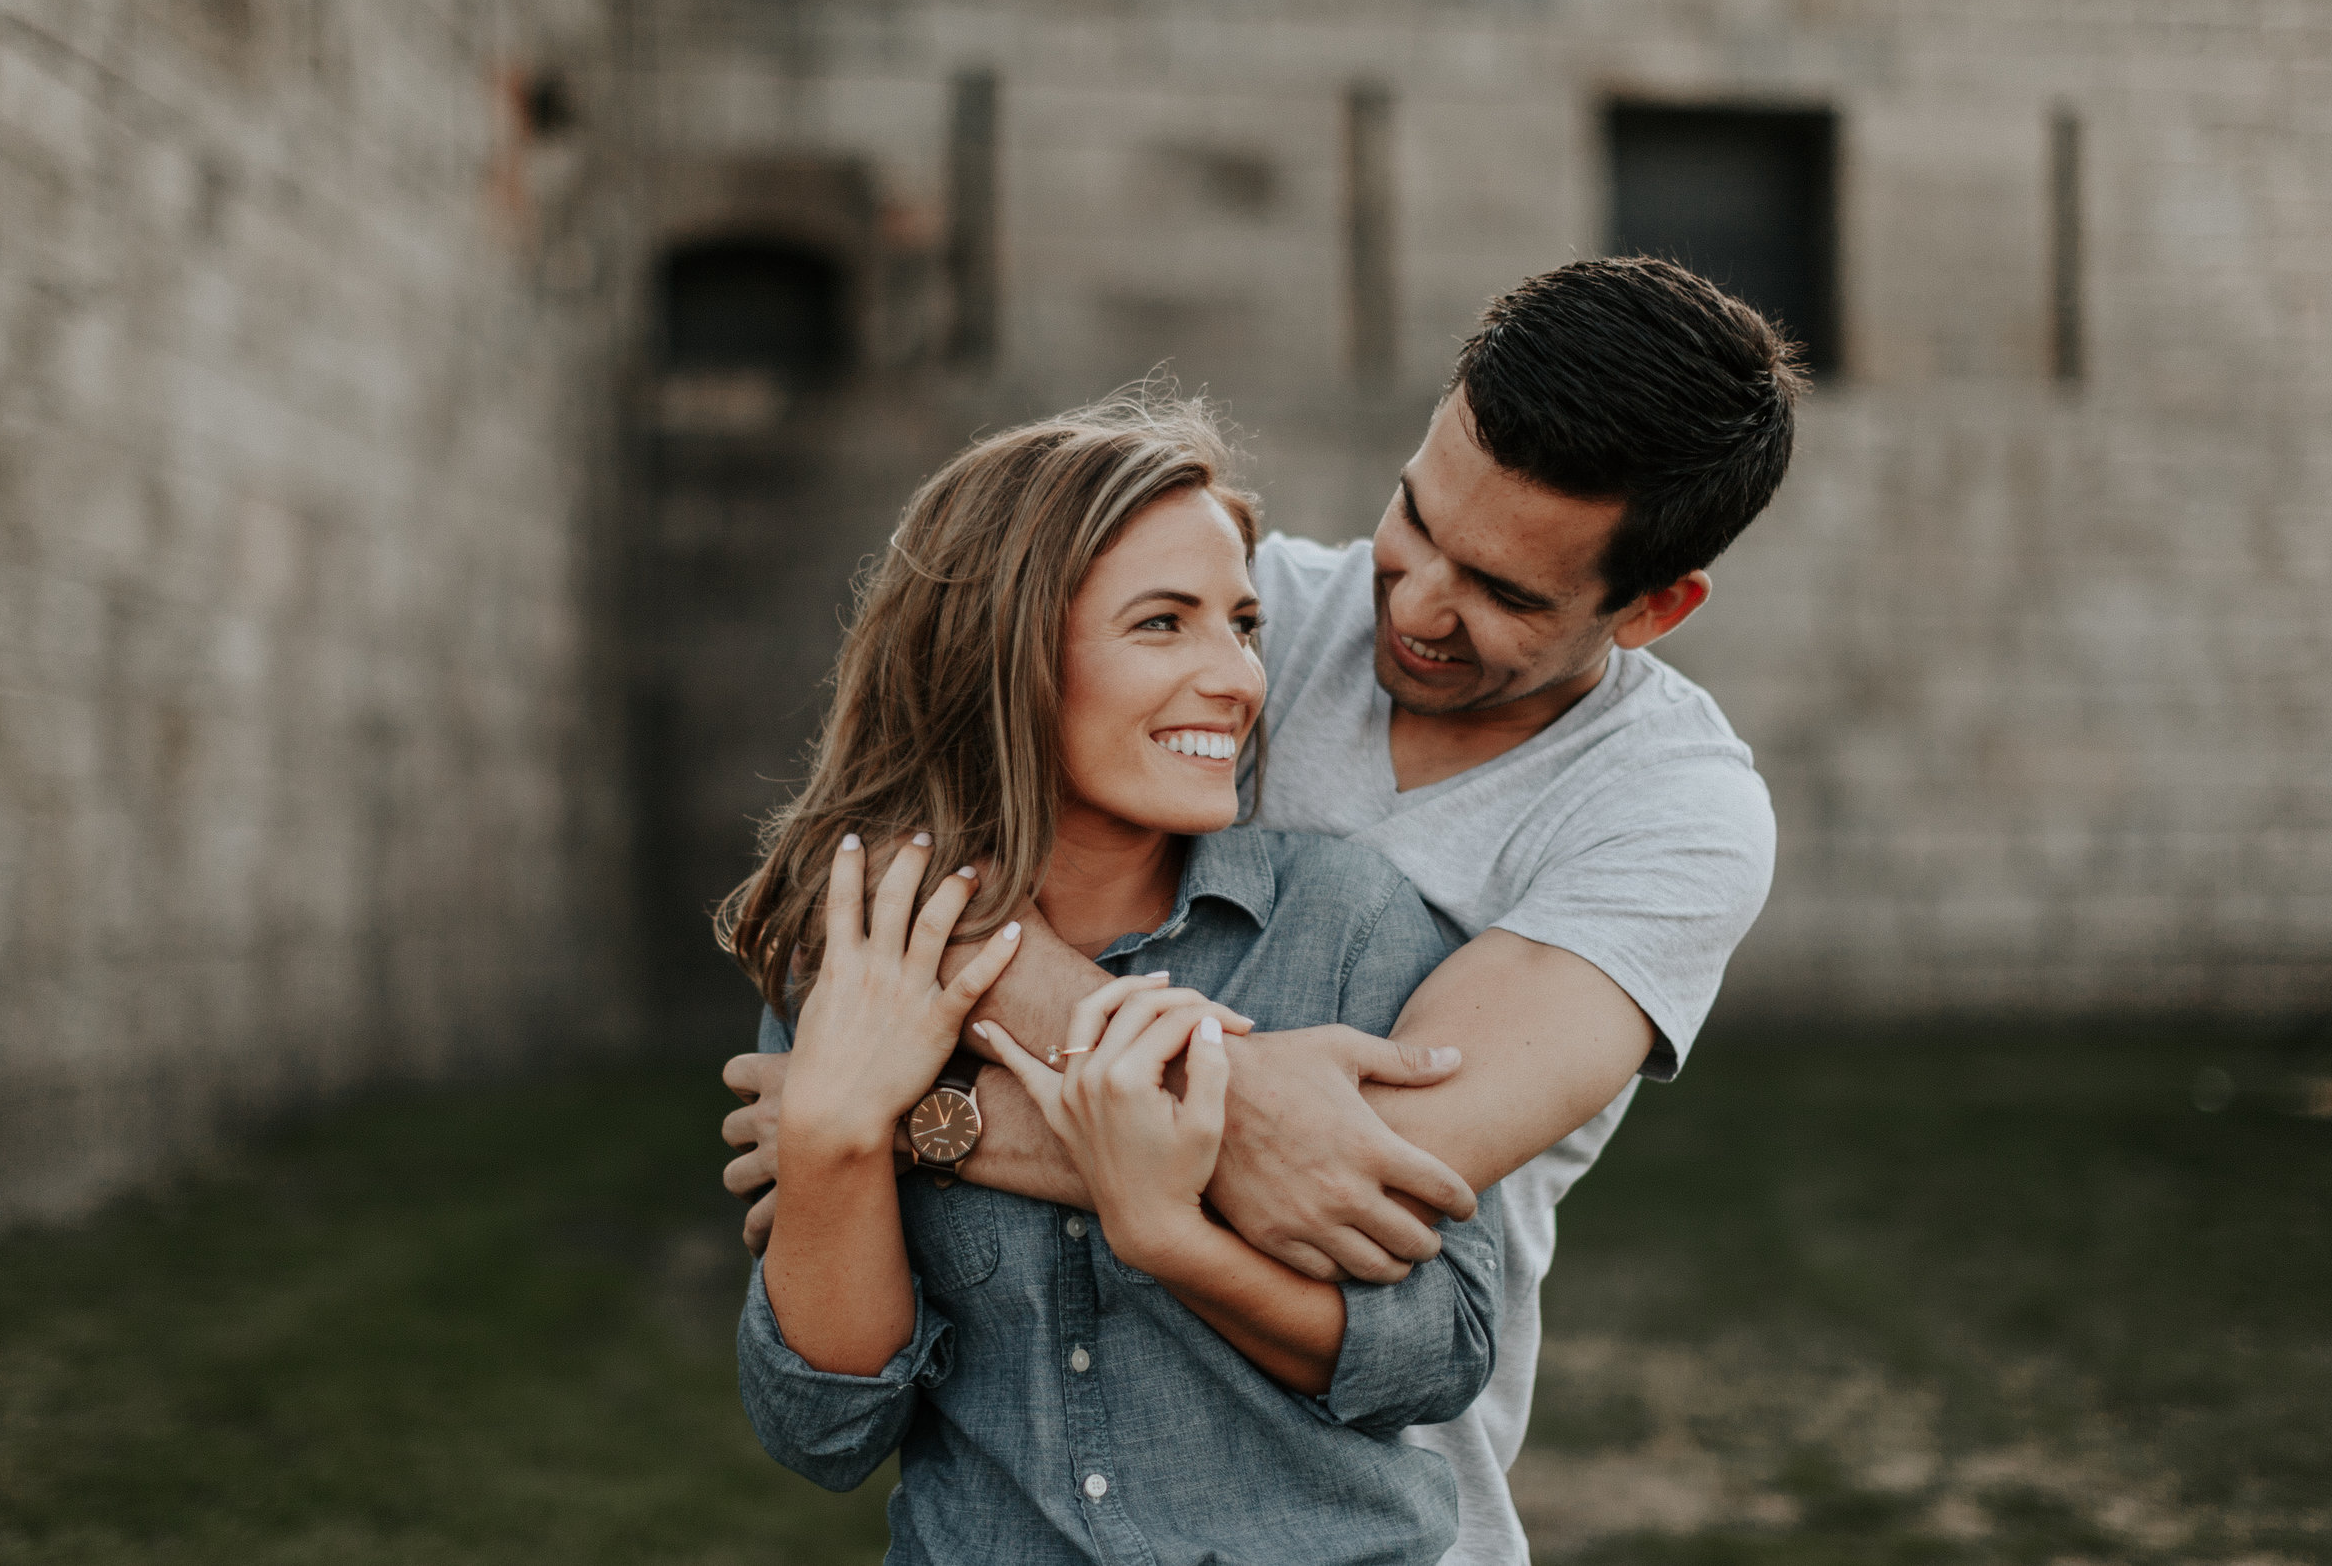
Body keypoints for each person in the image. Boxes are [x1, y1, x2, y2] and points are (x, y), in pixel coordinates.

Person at [726, 257, 1801, 1563]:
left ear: (1654, 607)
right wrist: (1188, 1086)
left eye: (1505, 593)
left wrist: (910, 1121)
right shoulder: (1252, 605)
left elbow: (1358, 1172)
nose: (1409, 607)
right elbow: (898, 802)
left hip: (1367, 1499)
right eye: (1415, 519)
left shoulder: (1670, 812)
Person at [723, 396, 1505, 1564]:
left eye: (1241, 624)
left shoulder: (1347, 922)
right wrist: (835, 1131)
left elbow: (1433, 1350)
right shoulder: (863, 941)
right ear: (1005, 648)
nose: (1236, 677)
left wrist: (1163, 1228)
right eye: (1162, 624)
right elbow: (825, 1427)